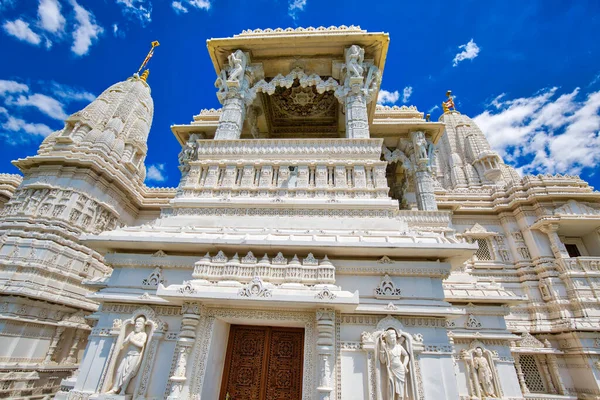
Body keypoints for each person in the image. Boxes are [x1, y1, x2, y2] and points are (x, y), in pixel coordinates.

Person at [106, 316, 148, 395]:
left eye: (139, 324)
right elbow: (124, 342)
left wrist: (131, 340)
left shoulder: (143, 334)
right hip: (127, 354)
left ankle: (123, 390)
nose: (136, 325)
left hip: (135, 355)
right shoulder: (132, 333)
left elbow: (141, 344)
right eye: (136, 324)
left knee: (129, 372)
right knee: (119, 371)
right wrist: (126, 340)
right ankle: (115, 388)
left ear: (142, 326)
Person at [379, 328, 409, 400]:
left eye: (394, 338)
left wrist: (404, 364)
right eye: (391, 338)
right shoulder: (386, 348)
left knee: (400, 391)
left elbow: (406, 355)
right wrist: (382, 349)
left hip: (400, 369)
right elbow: (382, 361)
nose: (393, 340)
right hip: (391, 369)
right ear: (388, 339)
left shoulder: (399, 347)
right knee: (391, 388)